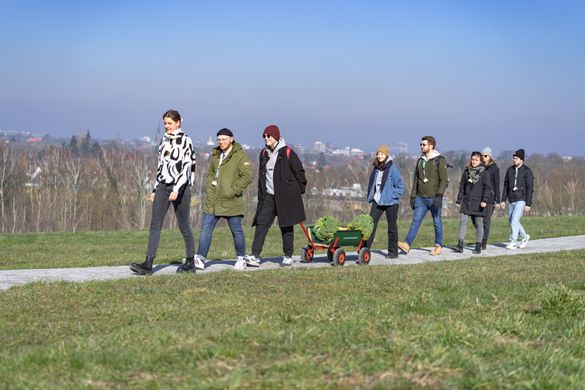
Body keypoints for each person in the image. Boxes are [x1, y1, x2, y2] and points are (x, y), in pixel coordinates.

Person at [130, 110, 197, 275]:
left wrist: (176, 189)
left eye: (170, 123)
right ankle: (148, 263)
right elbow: (161, 167)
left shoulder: (185, 141)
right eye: (165, 123)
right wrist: (155, 188)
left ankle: (190, 262)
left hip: (179, 187)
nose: (167, 126)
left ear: (178, 123)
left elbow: (186, 168)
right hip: (162, 186)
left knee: (184, 226)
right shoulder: (164, 141)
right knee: (155, 224)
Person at [178, 128, 252, 272]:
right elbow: (211, 173)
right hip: (213, 199)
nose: (222, 142)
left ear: (231, 139)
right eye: (219, 140)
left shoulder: (240, 156)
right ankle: (200, 258)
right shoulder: (215, 155)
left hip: (231, 200)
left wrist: (232, 191)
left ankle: (241, 258)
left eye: (224, 139)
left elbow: (247, 176)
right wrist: (208, 186)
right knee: (206, 229)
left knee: (236, 231)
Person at [244, 125, 307, 268]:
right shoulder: (263, 154)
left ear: (276, 137)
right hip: (269, 197)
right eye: (264, 136)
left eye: (269, 136)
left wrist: (294, 192)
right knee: (261, 223)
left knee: (286, 226)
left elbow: (301, 176)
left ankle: (288, 255)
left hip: (286, 198)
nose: (266, 138)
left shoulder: (288, 153)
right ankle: (255, 255)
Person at [398, 136, 448, 256]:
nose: (421, 146)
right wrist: (413, 196)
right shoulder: (420, 161)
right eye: (420, 144)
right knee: (415, 221)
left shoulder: (439, 160)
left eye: (423, 144)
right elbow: (416, 179)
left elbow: (444, 180)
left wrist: (439, 196)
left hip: (434, 197)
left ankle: (438, 246)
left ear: (431, 146)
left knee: (437, 222)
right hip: (421, 197)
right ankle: (407, 244)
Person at [365, 145, 404, 258]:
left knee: (392, 228)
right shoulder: (376, 168)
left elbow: (400, 187)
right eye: (378, 154)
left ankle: (393, 252)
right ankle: (365, 250)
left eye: (382, 154)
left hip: (391, 203)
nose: (379, 156)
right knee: (370, 226)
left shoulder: (393, 169)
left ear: (386, 155)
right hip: (377, 201)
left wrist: (391, 196)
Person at [454, 151, 491, 254]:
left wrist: (484, 201)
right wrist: (459, 200)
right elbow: (462, 187)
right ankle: (460, 245)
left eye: (476, 160)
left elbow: (487, 188)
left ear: (480, 161)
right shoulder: (466, 172)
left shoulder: (484, 173)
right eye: (473, 159)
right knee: (463, 222)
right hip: (466, 202)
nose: (474, 162)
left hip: (478, 203)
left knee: (479, 224)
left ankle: (478, 246)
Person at [500, 149, 534, 249]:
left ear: (521, 159)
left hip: (521, 199)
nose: (514, 160)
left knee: (514, 221)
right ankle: (524, 237)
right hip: (511, 199)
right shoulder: (509, 170)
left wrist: (528, 204)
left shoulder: (527, 171)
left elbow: (530, 189)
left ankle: (513, 242)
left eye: (516, 158)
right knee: (512, 221)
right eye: (513, 158)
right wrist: (503, 200)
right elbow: (506, 186)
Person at [480, 146, 500, 250]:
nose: (483, 157)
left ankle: (484, 242)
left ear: (490, 156)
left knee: (486, 220)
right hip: (480, 197)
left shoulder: (495, 168)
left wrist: (498, 200)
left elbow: (497, 184)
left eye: (486, 156)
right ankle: (480, 237)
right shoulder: (480, 166)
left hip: (490, 198)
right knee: (478, 220)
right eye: (482, 155)